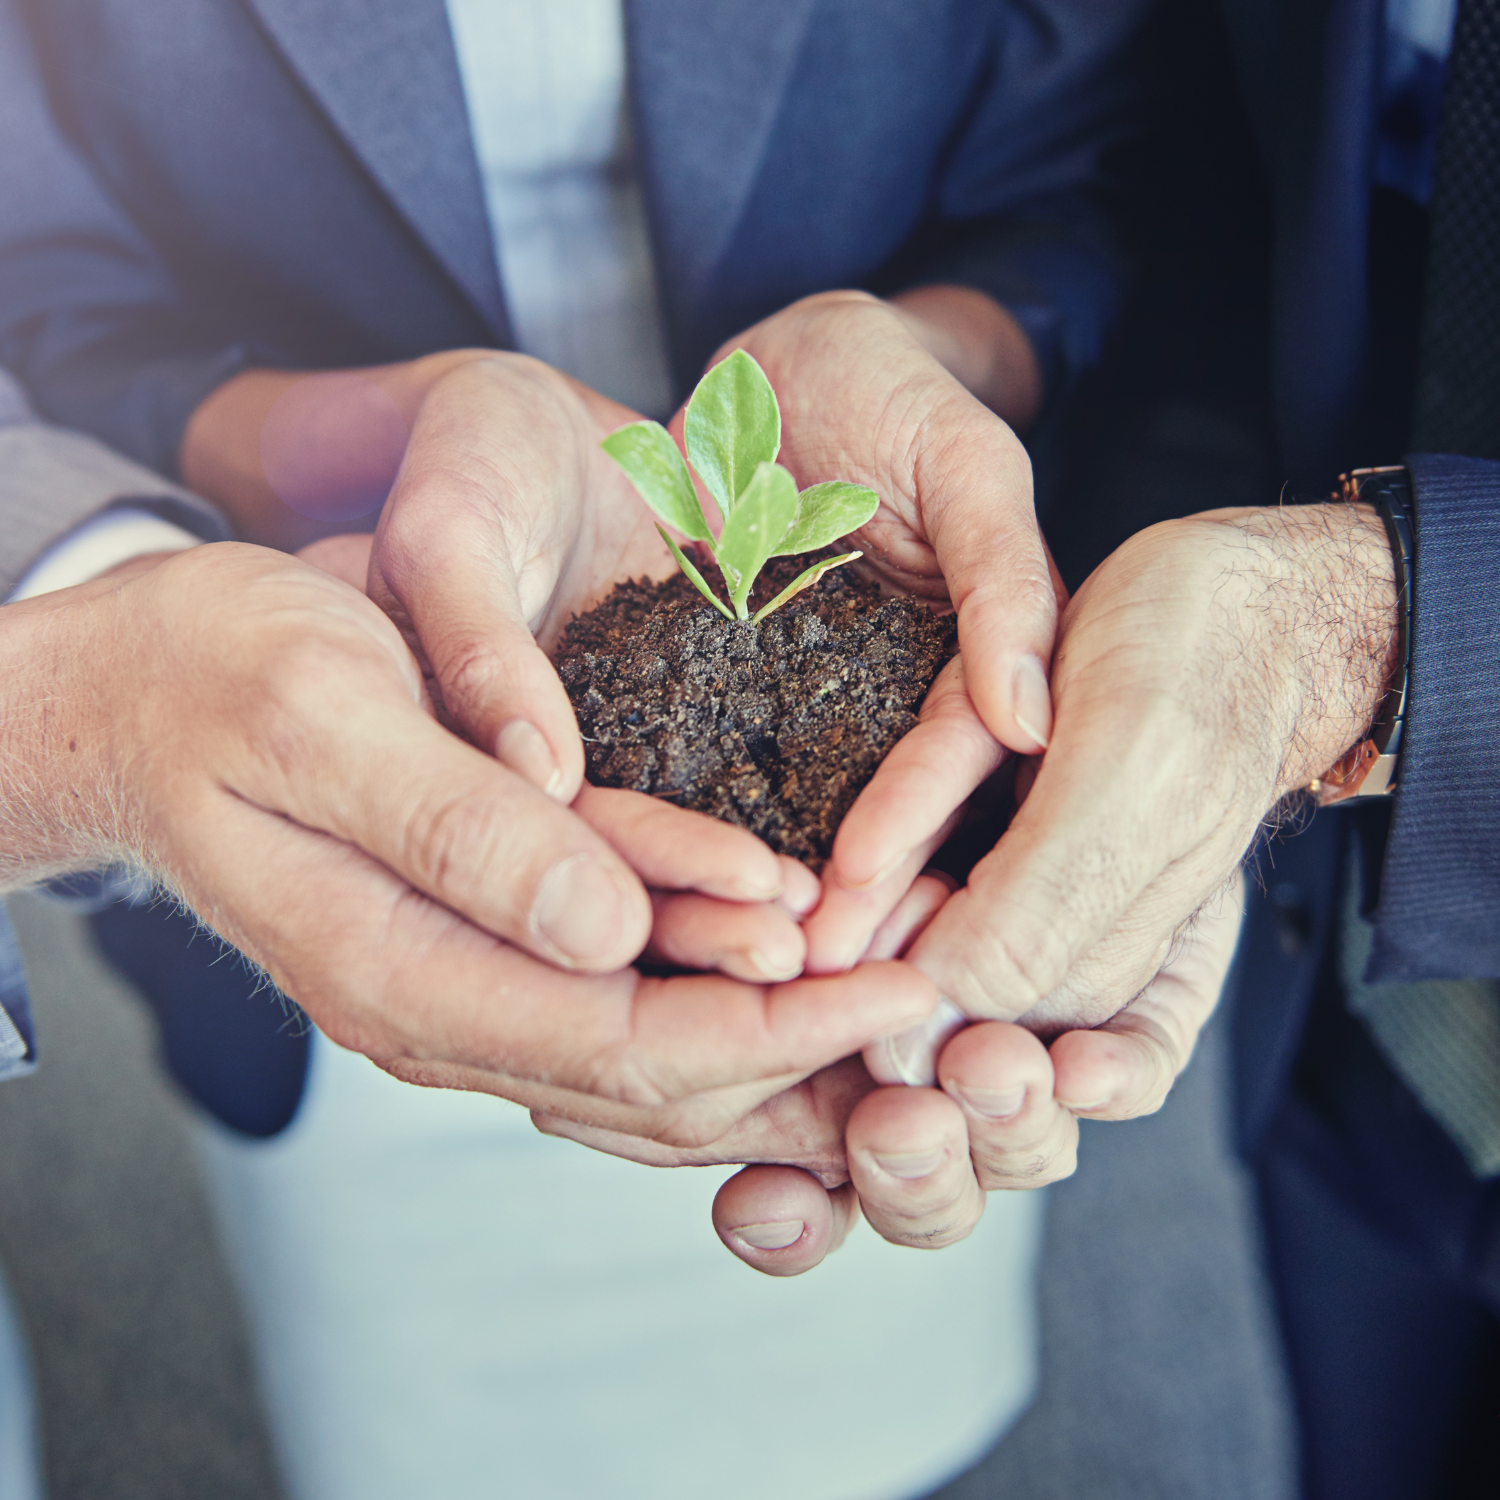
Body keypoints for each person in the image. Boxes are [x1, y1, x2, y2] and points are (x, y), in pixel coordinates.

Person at [0, 1, 1296, 1496]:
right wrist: (317, 471)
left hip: (882, 848)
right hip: (316, 703)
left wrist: (927, 355)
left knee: (868, 1377)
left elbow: (1113, 165)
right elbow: (42, 271)